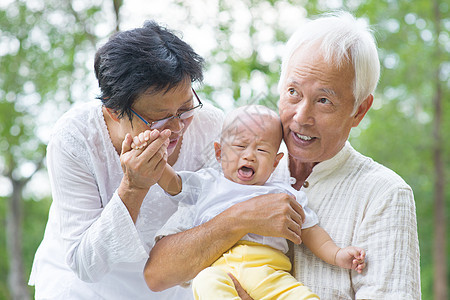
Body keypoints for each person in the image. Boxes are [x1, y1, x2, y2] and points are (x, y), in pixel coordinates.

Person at [144, 11, 421, 299]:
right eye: (293, 92)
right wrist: (238, 218)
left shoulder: (385, 194)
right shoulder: (236, 168)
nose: (302, 116)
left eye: (324, 100)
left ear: (359, 111)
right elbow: (158, 275)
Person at [29, 21, 224, 299]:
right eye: (160, 118)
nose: (177, 127)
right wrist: (133, 189)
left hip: (169, 281)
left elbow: (222, 209)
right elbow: (85, 265)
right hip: (83, 287)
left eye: (185, 108)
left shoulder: (211, 127)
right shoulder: (75, 138)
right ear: (114, 111)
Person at [136, 105, 365, 299]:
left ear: (275, 163)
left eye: (262, 149)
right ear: (219, 153)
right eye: (239, 146)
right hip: (219, 269)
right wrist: (151, 155)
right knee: (205, 282)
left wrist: (336, 254)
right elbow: (173, 183)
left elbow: (311, 230)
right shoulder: (207, 182)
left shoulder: (283, 193)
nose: (249, 155)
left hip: (268, 270)